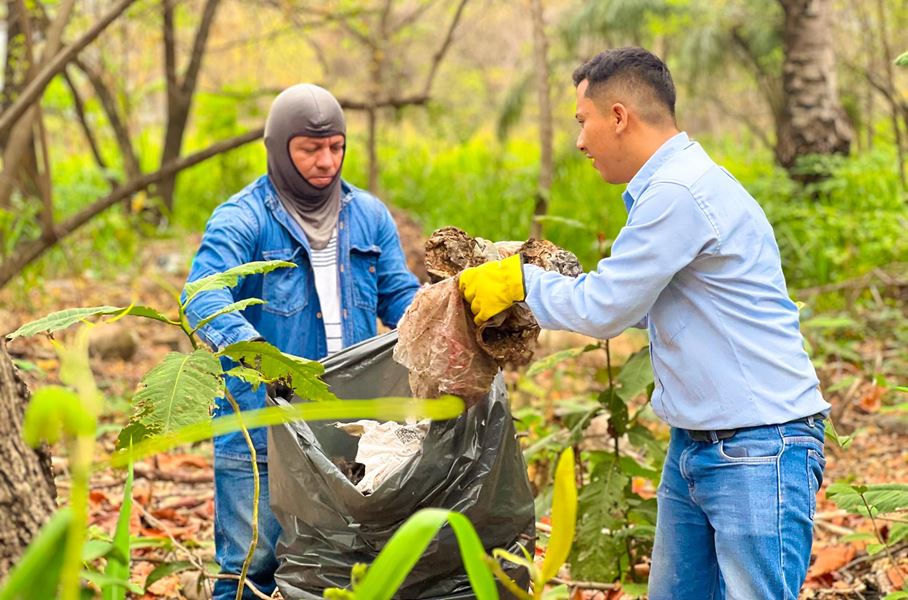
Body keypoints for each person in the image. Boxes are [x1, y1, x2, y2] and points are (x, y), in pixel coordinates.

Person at [459, 48, 831, 599]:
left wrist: (516, 283)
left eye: (582, 122)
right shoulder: (676, 187)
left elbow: (605, 309)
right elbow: (635, 306)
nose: (580, 142)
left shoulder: (679, 192)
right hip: (700, 443)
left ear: (618, 116)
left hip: (758, 445)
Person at [183, 83, 420, 599]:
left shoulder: (369, 216)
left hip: (348, 426)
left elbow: (400, 295)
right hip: (264, 425)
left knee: (340, 567)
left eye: (336, 146)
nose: (326, 161)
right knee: (252, 567)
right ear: (279, 147)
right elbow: (201, 298)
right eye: (310, 149)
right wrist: (263, 359)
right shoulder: (243, 218)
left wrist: (442, 329)